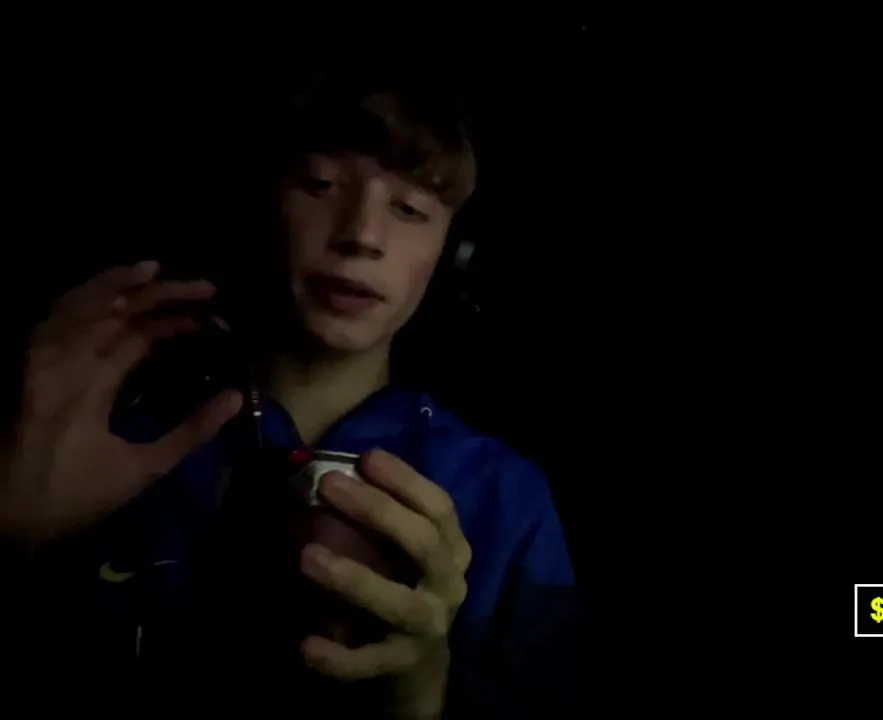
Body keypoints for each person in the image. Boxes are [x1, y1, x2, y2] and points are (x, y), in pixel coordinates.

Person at [0, 73, 581, 717]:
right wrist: (13, 536)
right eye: (321, 185)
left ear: (453, 254)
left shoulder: (505, 496)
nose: (361, 234)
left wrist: (425, 690)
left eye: (411, 210)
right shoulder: (112, 444)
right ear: (263, 208)